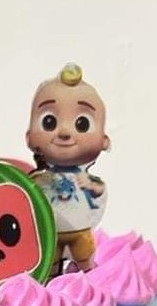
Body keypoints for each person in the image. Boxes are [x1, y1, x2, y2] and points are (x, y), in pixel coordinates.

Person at [26, 63, 110, 275]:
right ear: (29, 137)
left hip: (81, 232)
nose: (64, 132)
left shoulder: (87, 179)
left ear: (104, 140)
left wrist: (92, 185)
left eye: (82, 124)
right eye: (49, 122)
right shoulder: (39, 179)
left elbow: (99, 191)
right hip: (49, 235)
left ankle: (88, 287)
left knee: (87, 266)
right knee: (49, 270)